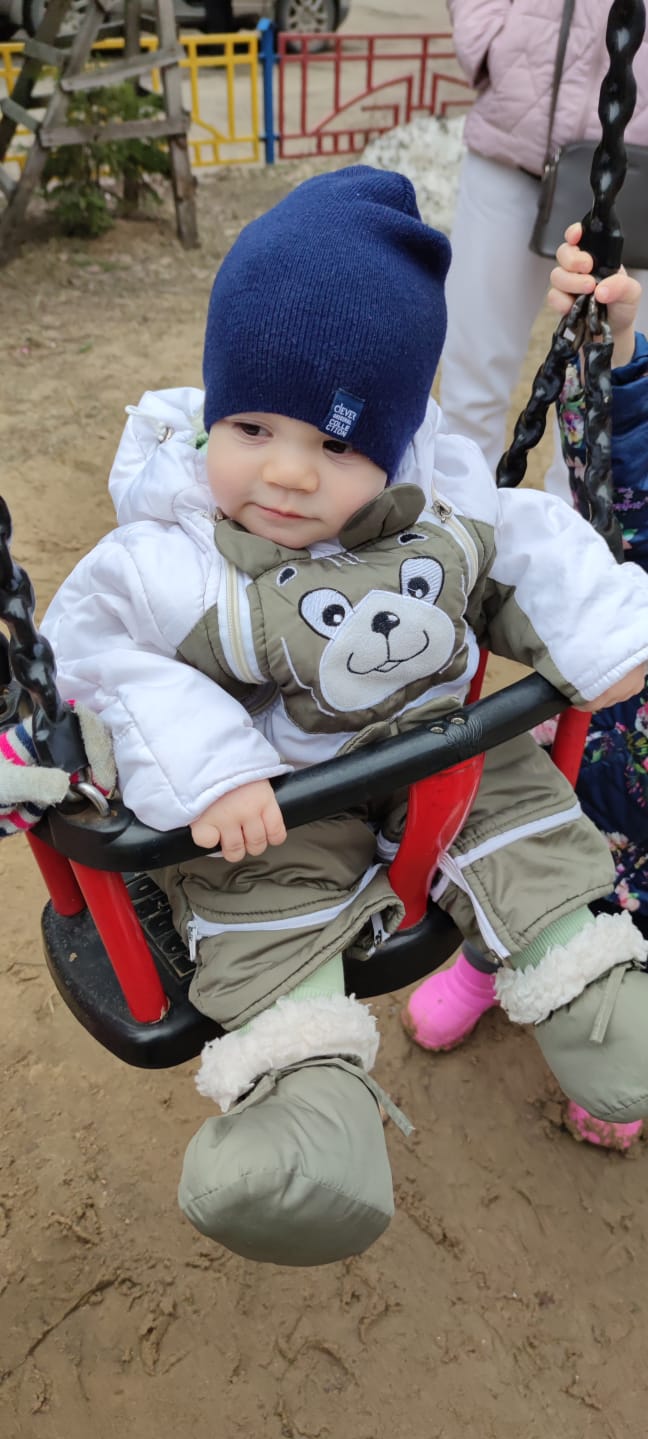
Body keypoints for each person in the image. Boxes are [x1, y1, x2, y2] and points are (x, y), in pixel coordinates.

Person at [3, 168, 648, 1268]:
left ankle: (599, 1004)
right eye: (252, 426)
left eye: (340, 445)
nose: (290, 473)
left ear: (391, 445)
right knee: (255, 910)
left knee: (529, 827)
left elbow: (529, 543)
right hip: (274, 810)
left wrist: (606, 639)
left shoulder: (440, 507)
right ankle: (308, 1129)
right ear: (213, 411)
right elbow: (94, 664)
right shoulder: (168, 555)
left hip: (448, 776)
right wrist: (213, 768)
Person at [403, 221, 648, 1149]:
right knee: (522, 853)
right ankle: (483, 965)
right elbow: (623, 476)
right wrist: (611, 342)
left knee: (626, 938)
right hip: (600, 755)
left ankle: (608, 1047)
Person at [442, 0, 648, 500]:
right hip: (515, 137)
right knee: (473, 373)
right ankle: (461, 521)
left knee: (609, 386)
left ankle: (572, 535)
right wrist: (490, 41)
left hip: (639, 169)